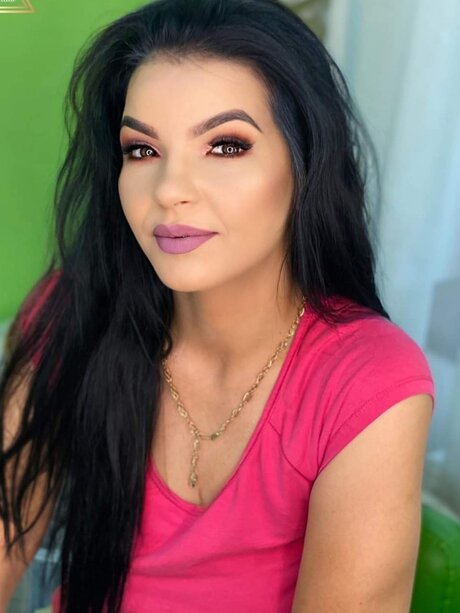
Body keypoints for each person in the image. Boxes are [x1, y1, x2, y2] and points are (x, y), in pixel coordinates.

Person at [0, 0, 435, 611]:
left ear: (304, 163)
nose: (170, 190)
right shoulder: (70, 313)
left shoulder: (366, 380)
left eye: (226, 146)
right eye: (142, 150)